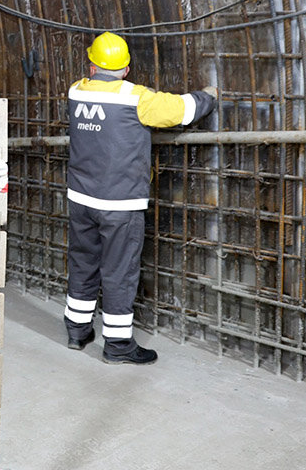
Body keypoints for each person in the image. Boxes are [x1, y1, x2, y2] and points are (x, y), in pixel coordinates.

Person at [64, 32, 216, 364]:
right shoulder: (136, 98)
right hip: (119, 204)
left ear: (91, 65)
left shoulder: (76, 91)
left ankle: (77, 331)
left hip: (80, 198)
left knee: (83, 262)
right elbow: (182, 110)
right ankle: (118, 345)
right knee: (119, 271)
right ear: (127, 68)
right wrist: (209, 96)